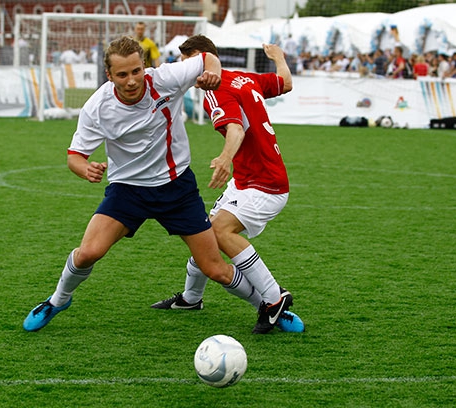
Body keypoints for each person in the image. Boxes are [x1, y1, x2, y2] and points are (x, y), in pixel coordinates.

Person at [22, 36, 284, 334]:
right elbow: (74, 156)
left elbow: (208, 58)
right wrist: (85, 169)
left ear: (144, 66)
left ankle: (270, 308)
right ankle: (57, 301)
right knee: (88, 252)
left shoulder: (166, 78)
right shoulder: (97, 107)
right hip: (128, 190)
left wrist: (212, 71)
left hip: (177, 188)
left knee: (216, 269)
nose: (132, 81)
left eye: (136, 71)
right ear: (109, 75)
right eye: (122, 74)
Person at [151, 35, 297, 335]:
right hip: (249, 180)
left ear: (201, 58)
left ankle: (274, 297)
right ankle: (191, 298)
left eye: (187, 62)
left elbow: (236, 129)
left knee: (219, 232)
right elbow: (285, 83)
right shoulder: (244, 78)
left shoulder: (215, 89)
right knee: (204, 234)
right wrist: (279, 57)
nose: (184, 70)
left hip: (263, 184)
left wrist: (224, 158)